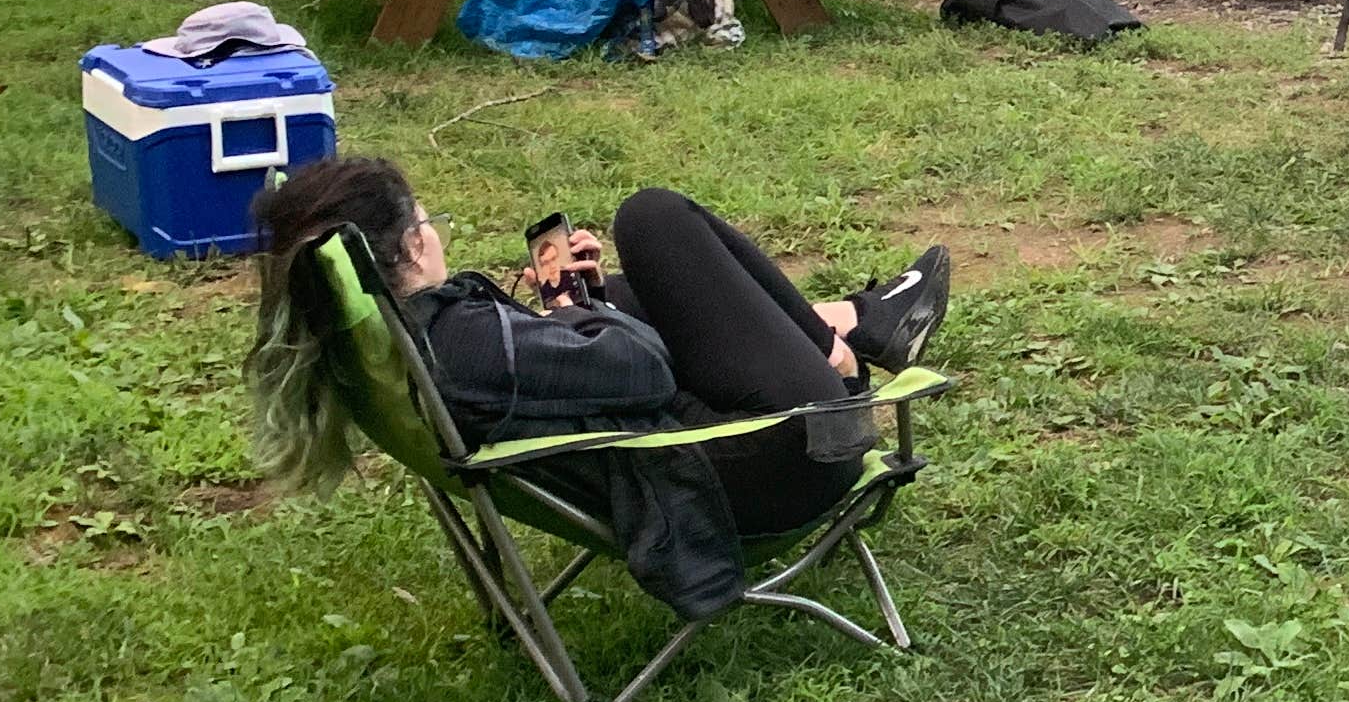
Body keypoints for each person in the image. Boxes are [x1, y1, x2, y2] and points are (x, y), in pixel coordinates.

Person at [246, 153, 949, 621]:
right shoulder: (465, 345)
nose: (435, 234)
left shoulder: (387, 344)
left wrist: (578, 304)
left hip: (669, 454)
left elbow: (569, 372)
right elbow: (643, 370)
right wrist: (582, 315)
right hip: (768, 464)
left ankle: (856, 323)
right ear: (406, 249)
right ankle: (845, 350)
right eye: (428, 221)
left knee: (623, 286)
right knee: (653, 217)